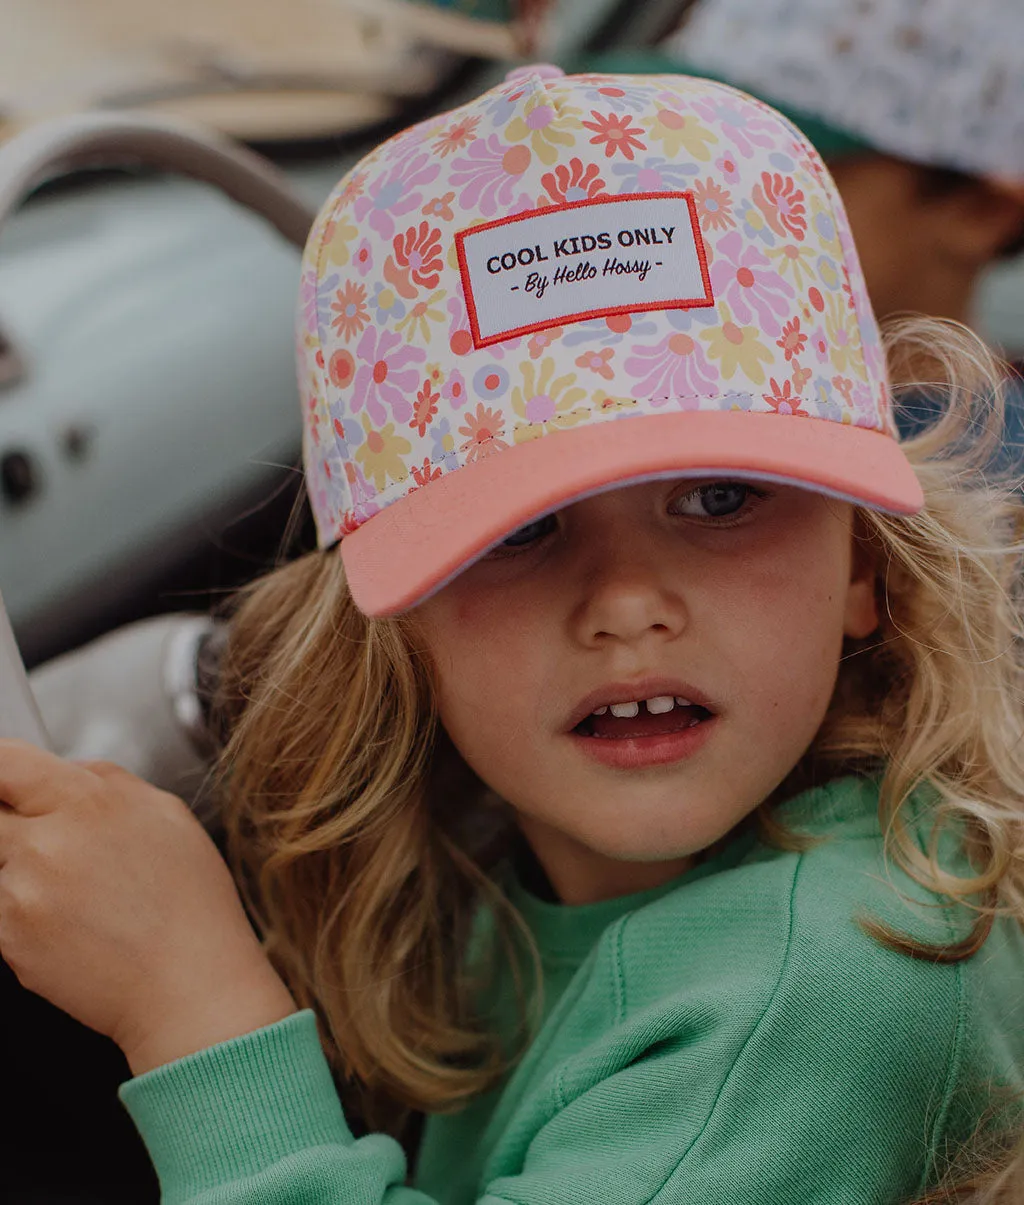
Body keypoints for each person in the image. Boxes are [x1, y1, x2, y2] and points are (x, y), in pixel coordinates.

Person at [1, 68, 1024, 1203]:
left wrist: (187, 995)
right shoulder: (521, 851)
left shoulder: (818, 992)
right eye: (524, 528)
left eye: (722, 500)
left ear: (863, 568)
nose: (627, 601)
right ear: (397, 626)